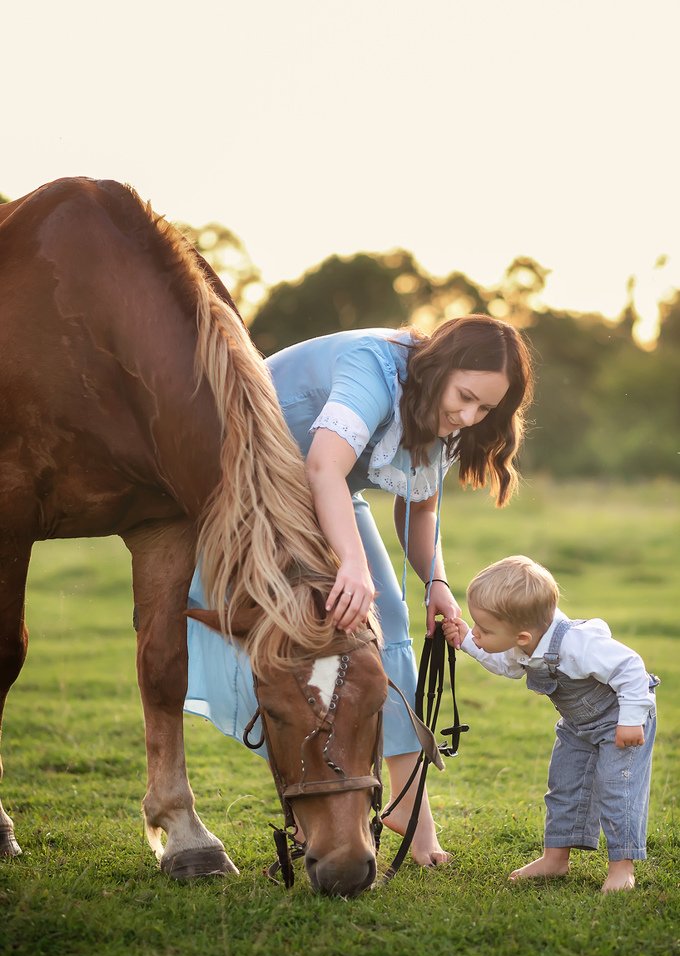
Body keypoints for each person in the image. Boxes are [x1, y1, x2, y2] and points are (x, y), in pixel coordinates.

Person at [185, 315, 534, 866]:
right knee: (304, 631)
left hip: (324, 487)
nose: (468, 417)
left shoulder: (442, 414)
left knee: (389, 615)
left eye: (486, 409)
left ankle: (404, 805)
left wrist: (436, 583)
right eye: (465, 397)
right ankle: (317, 799)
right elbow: (323, 463)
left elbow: (421, 509)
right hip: (245, 470)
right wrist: (352, 562)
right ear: (440, 366)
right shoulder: (375, 366)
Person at [442, 555, 658, 891]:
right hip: (577, 725)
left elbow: (630, 668)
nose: (478, 633)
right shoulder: (523, 644)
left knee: (619, 789)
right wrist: (468, 640)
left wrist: (631, 721)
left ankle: (622, 867)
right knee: (564, 785)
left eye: (484, 629)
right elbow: (506, 666)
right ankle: (555, 859)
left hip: (621, 720)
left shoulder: (578, 644)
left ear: (523, 637)